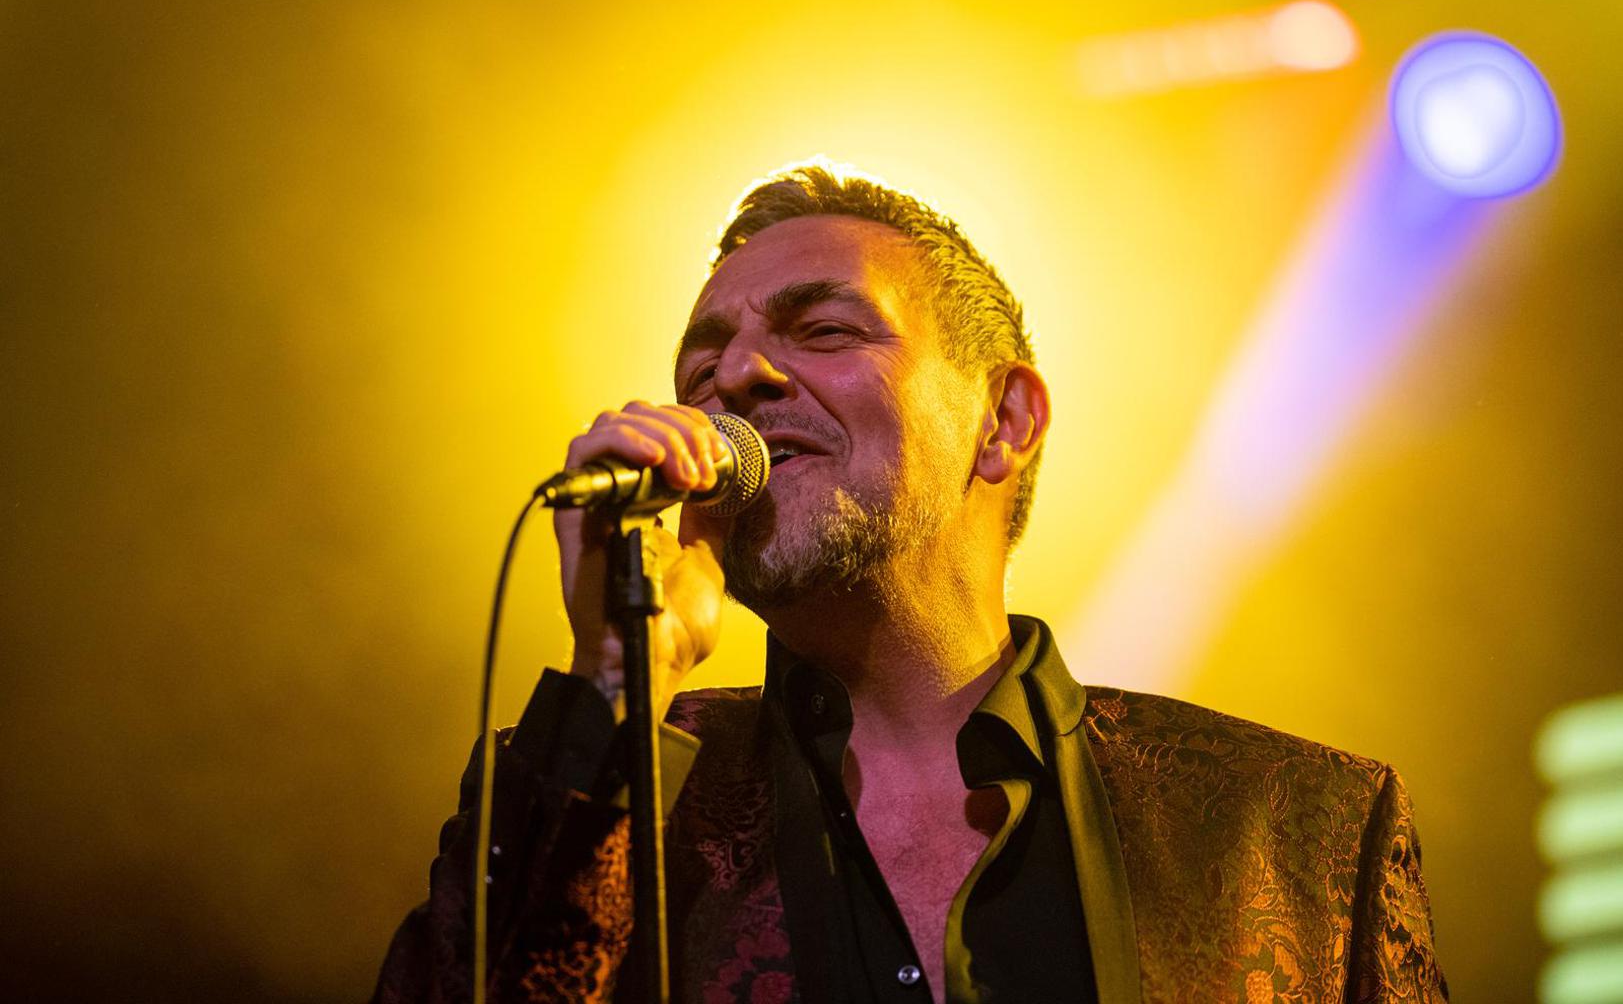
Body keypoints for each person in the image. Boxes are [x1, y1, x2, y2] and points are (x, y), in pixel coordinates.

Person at [373, 164, 1448, 1003]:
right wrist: (617, 679)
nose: (735, 376)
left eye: (824, 330)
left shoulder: (1296, 827)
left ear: (1003, 421)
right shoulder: (599, 794)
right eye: (703, 362)